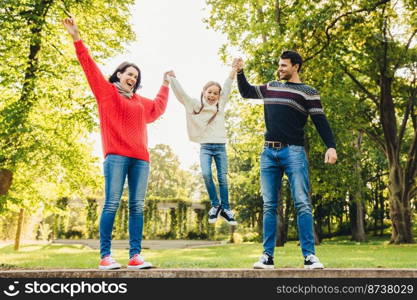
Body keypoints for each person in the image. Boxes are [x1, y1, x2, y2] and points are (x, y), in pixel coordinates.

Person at [63, 17, 172, 270]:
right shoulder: (106, 93)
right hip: (116, 157)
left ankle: (135, 257)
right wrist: (77, 38)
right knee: (112, 202)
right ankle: (105, 256)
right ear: (119, 75)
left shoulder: (140, 102)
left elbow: (157, 109)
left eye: (136, 76)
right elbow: (88, 66)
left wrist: (165, 83)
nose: (132, 78)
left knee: (137, 207)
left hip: (141, 160)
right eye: (129, 74)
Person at [234, 52, 337, 269]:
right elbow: (245, 92)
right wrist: (240, 71)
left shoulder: (308, 93)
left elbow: (321, 121)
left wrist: (331, 146)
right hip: (268, 153)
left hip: (294, 152)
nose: (279, 69)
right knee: (269, 205)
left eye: (284, 65)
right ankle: (267, 256)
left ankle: (309, 256)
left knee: (302, 203)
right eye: (279, 65)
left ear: (296, 67)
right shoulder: (270, 86)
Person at [167, 63, 238, 226]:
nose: (212, 95)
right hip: (205, 146)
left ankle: (226, 209)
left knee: (222, 177)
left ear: (220, 95)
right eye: (210, 92)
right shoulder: (195, 104)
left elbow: (228, 83)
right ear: (204, 92)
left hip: (220, 146)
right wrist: (172, 79)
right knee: (206, 174)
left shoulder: (221, 104)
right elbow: (182, 95)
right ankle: (216, 205)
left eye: (215, 93)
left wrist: (234, 68)